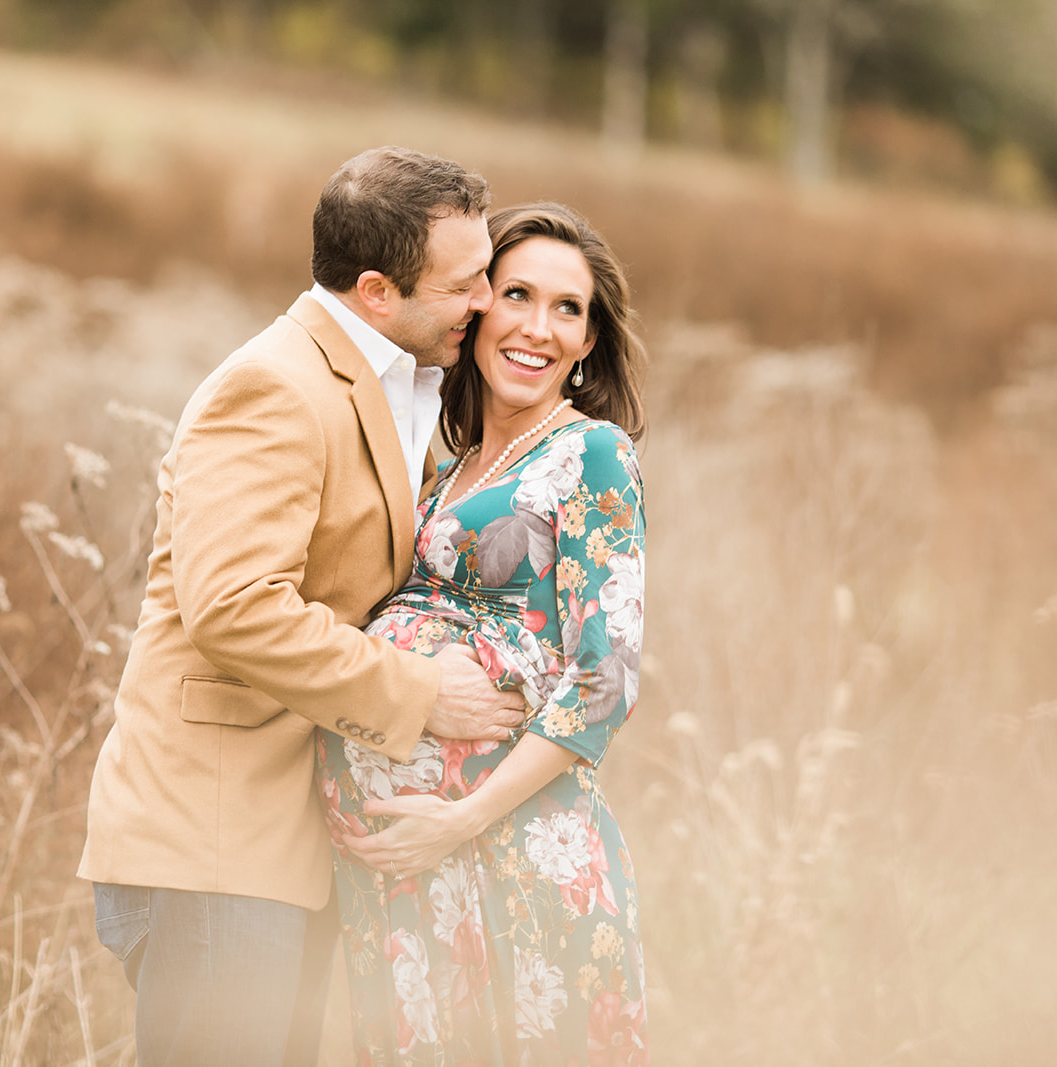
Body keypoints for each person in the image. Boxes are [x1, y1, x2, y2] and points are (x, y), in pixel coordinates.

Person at [79, 146, 529, 1067]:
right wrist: (419, 693)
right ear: (374, 289)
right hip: (216, 841)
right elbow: (234, 607)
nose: (486, 301)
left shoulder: (402, 381)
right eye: (466, 284)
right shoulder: (273, 388)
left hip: (287, 843)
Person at [318, 202, 651, 1064]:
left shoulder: (593, 456)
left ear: (587, 340)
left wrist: (456, 821)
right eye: (517, 294)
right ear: (477, 307)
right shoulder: (447, 459)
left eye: (567, 308)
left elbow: (604, 682)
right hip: (409, 872)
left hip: (512, 852)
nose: (538, 327)